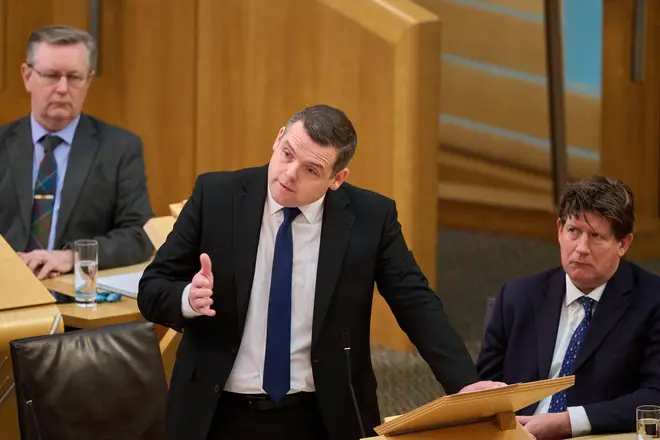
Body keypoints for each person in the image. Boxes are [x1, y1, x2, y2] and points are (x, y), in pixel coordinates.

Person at [138, 104, 502, 440]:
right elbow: (152, 288)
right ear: (279, 137)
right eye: (287, 154)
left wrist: (464, 386)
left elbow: (416, 303)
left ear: (337, 178)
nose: (289, 174)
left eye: (311, 169)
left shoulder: (371, 219)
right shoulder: (216, 196)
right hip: (219, 410)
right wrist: (188, 298)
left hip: (322, 414)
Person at [477, 175, 660, 439]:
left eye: (596, 236)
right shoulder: (517, 297)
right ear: (560, 231)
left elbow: (655, 397)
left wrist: (568, 422)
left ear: (623, 244)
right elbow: (481, 388)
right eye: (574, 231)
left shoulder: (651, 301)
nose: (581, 248)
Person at [0, 25, 154, 285]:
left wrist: (73, 256)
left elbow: (140, 236)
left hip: (77, 302)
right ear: (27, 76)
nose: (62, 88)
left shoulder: (118, 148)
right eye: (51, 75)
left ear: (88, 80)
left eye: (74, 77)